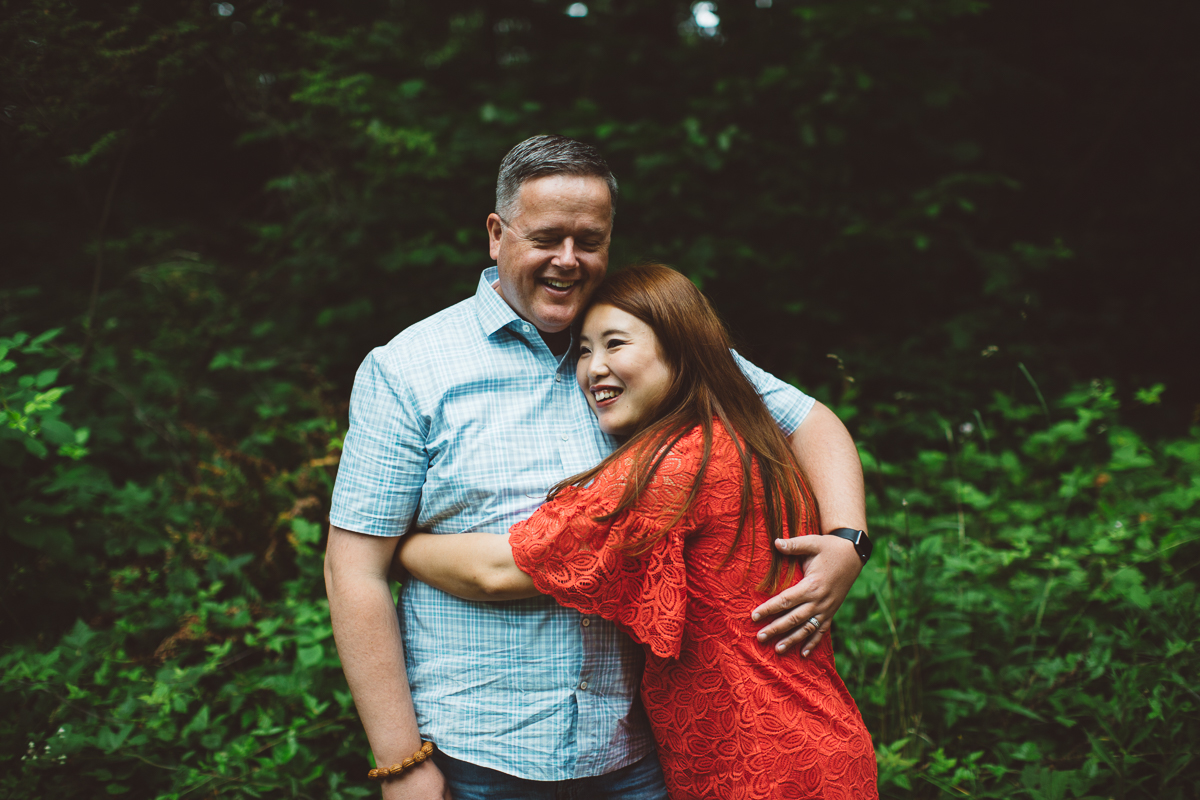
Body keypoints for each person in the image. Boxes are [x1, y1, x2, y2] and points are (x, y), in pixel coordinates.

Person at [323, 135, 870, 799]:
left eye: (590, 240)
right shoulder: (409, 369)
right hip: (479, 756)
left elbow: (808, 420)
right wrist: (401, 763)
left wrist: (847, 541)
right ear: (496, 235)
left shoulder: (649, 342)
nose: (568, 259)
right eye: (546, 238)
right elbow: (353, 570)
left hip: (636, 755)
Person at [396, 264, 878, 799]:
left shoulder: (675, 466)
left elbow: (499, 571)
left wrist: (398, 547)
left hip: (763, 765)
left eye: (615, 344)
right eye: (583, 350)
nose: (593, 368)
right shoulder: (743, 436)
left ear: (681, 350)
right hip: (807, 741)